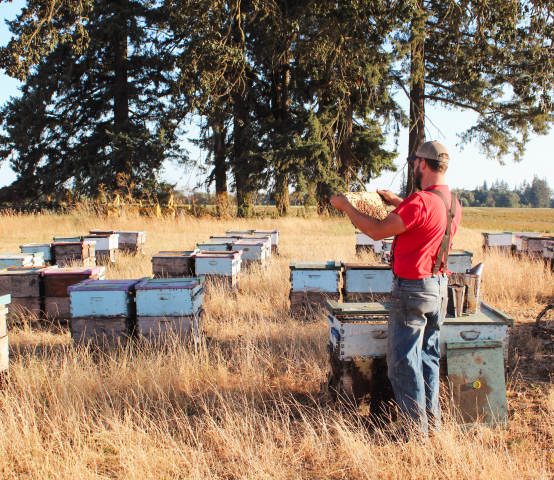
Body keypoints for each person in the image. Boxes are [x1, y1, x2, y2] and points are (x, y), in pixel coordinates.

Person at [330, 140, 462, 436]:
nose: (413, 167)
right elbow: (428, 216)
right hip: (438, 288)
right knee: (427, 359)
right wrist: (396, 200)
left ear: (423, 165)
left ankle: (415, 434)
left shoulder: (419, 201)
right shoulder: (452, 203)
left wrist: (346, 205)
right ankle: (432, 427)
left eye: (415, 162)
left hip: (413, 289)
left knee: (403, 364)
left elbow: (376, 231)